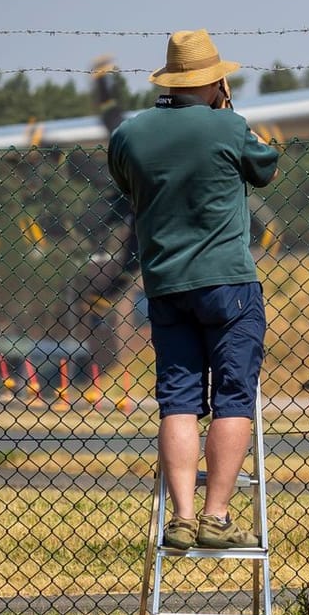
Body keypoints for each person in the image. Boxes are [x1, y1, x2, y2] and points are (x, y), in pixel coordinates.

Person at [109, 30, 279, 551]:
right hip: (228, 281)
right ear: (212, 81)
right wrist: (227, 113)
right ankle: (217, 517)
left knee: (177, 401)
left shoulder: (130, 134)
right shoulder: (226, 125)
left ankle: (181, 517)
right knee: (233, 398)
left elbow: (127, 184)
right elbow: (265, 168)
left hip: (165, 285)